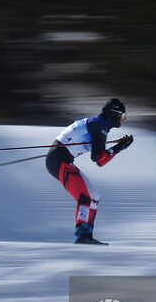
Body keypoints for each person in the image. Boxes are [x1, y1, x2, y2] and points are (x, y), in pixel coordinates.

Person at [45, 98, 133, 245]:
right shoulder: (100, 126)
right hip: (59, 160)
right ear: (114, 114)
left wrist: (119, 148)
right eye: (123, 116)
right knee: (85, 197)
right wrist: (119, 148)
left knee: (94, 196)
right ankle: (82, 235)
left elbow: (100, 161)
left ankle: (87, 234)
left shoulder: (98, 125)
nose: (123, 120)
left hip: (59, 159)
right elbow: (98, 158)